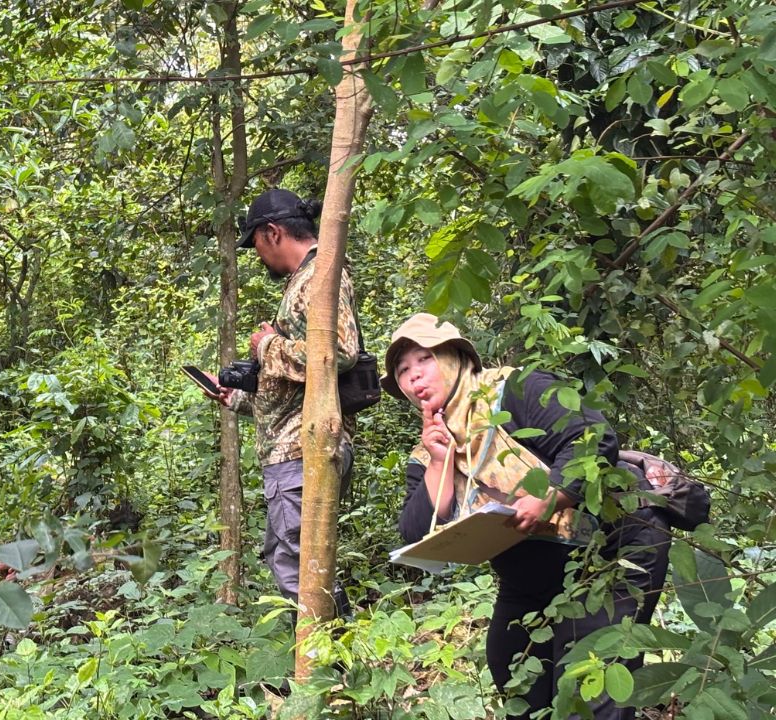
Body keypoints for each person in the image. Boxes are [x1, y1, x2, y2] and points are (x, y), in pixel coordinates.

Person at [384, 313, 671, 720]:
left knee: (586, 687)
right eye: (402, 371)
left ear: (454, 357)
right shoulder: (428, 449)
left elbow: (593, 438)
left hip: (611, 548)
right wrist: (438, 463)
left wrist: (551, 497)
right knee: (512, 670)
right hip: (529, 575)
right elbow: (415, 537)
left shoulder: (512, 390)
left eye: (424, 359)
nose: (414, 377)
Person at [203, 188, 360, 604]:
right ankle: (321, 659)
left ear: (273, 232)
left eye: (255, 243)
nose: (257, 256)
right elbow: (296, 388)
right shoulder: (305, 280)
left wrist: (266, 346)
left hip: (303, 450)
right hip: (290, 448)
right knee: (290, 558)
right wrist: (236, 397)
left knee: (300, 565)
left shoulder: (320, 276)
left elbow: (339, 354)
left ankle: (326, 665)